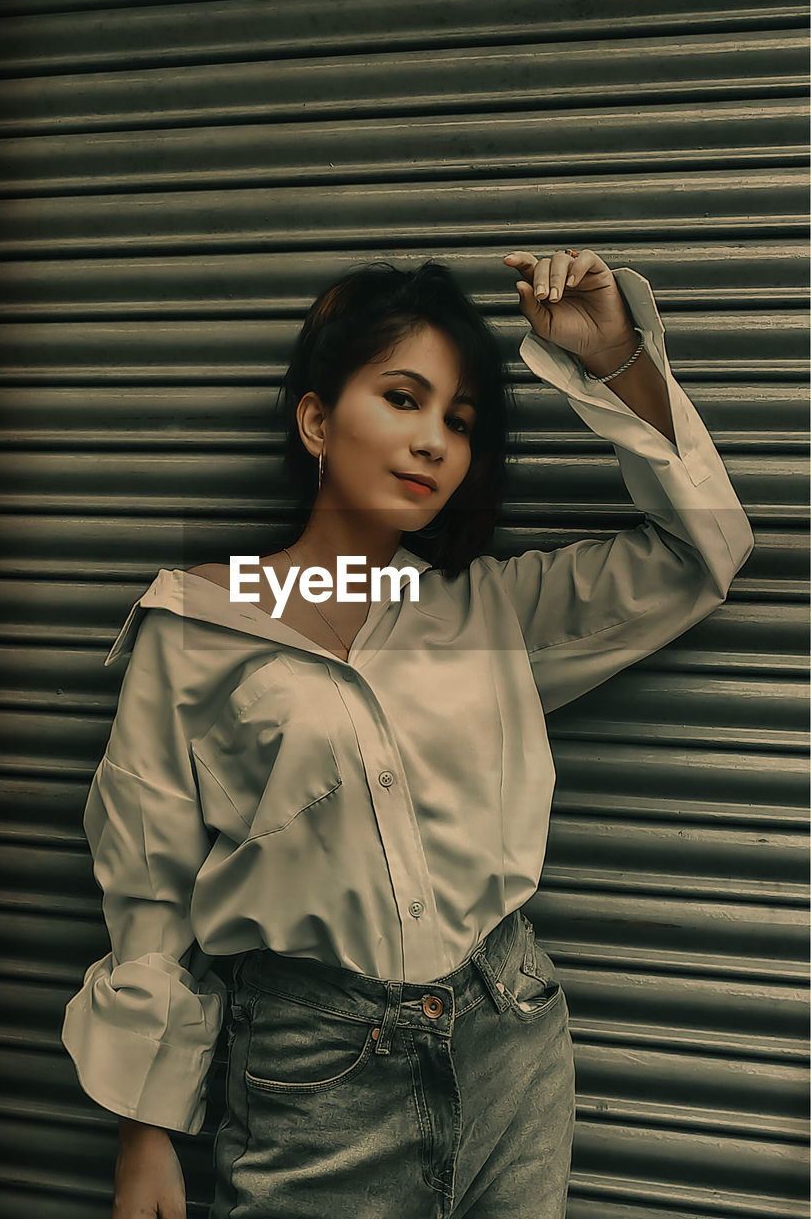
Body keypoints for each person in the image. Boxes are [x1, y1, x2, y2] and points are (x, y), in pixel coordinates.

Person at [61, 247, 753, 1219]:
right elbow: (148, 885)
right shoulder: (194, 623)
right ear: (315, 419)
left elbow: (704, 552)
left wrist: (614, 362)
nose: (433, 438)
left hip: (506, 1029)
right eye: (402, 396)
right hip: (311, 1072)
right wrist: (145, 1128)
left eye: (459, 420)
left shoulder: (492, 610)